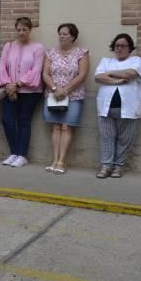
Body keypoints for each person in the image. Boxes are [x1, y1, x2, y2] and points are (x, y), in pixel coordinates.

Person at [94, 33, 141, 179]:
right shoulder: (106, 60)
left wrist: (109, 74)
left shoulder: (137, 60)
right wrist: (116, 81)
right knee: (106, 138)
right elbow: (98, 77)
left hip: (130, 108)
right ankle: (106, 166)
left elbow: (131, 74)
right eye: (117, 45)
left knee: (125, 139)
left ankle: (118, 167)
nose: (120, 48)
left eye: (123, 45)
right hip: (106, 107)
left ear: (129, 48)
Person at [0, 17, 46, 167]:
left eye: (24, 29)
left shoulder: (38, 47)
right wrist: (8, 86)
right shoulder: (9, 46)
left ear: (30, 30)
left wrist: (17, 84)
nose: (21, 32)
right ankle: (14, 152)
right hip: (10, 89)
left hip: (30, 92)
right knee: (7, 121)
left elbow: (36, 70)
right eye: (19, 29)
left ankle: (22, 155)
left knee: (24, 121)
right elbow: (2, 67)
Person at [41, 23, 90, 174]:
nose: (61, 36)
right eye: (60, 34)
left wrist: (66, 90)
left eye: (65, 34)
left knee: (66, 126)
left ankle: (62, 161)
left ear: (73, 37)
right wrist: (55, 89)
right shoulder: (51, 53)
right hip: (54, 95)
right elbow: (45, 73)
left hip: (73, 96)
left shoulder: (82, 53)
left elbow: (82, 75)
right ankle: (54, 160)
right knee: (56, 126)